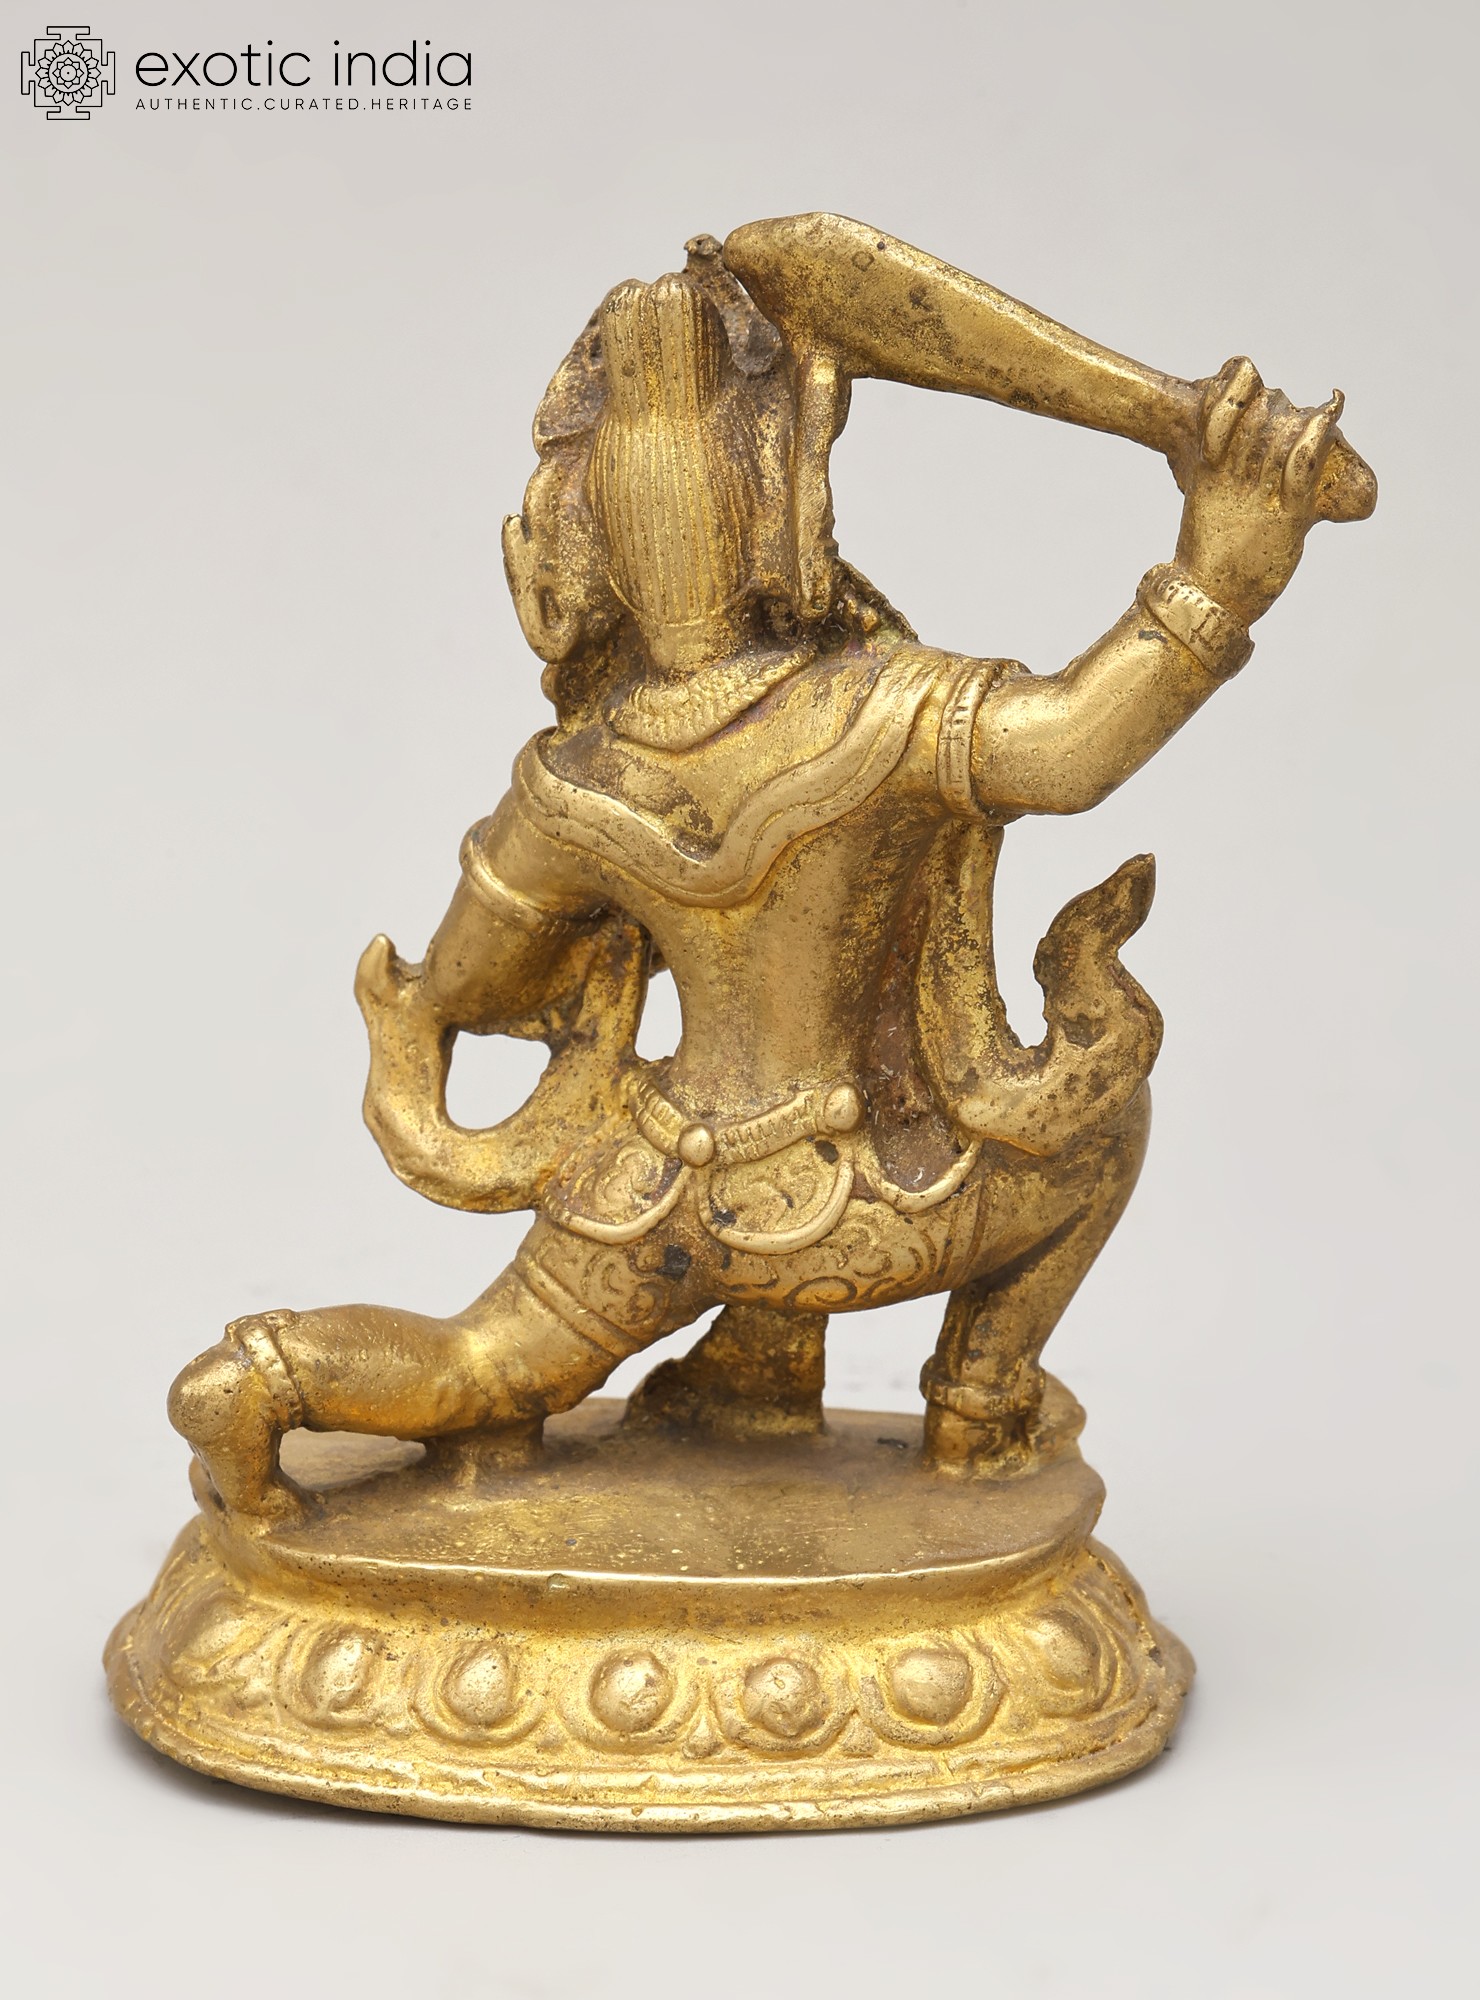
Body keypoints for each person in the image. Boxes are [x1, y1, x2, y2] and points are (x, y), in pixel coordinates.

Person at [170, 241, 1346, 1521]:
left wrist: (408, 1057)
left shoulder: (573, 776)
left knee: (483, 1363)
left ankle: (265, 1374)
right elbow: (1070, 749)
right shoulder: (883, 711)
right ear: (787, 498)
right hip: (870, 1199)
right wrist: (1221, 575)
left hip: (653, 1194)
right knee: (1102, 1130)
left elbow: (468, 983)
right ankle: (981, 1398)